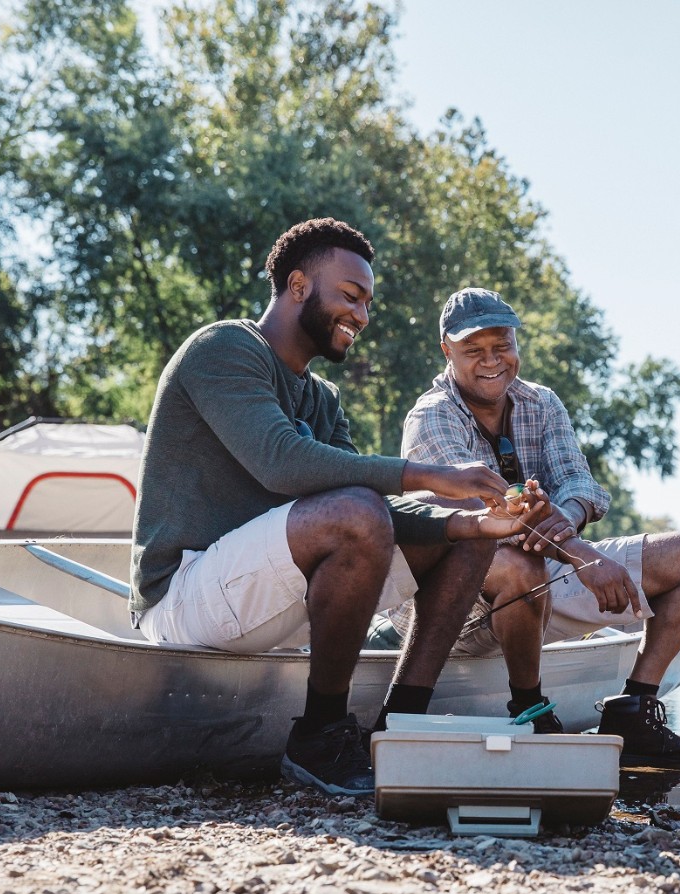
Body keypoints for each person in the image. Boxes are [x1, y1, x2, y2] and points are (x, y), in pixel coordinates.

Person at [129, 222, 548, 797]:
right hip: (185, 598)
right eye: (351, 295)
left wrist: (474, 522)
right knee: (356, 511)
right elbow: (280, 461)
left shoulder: (322, 399)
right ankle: (321, 732)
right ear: (298, 285)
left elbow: (382, 508)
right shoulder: (225, 349)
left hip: (273, 599)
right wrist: (435, 475)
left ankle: (403, 726)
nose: (364, 315)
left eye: (368, 302)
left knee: (463, 536)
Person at [400, 287, 680, 766]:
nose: (492, 361)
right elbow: (493, 519)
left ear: (517, 344)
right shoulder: (432, 416)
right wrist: (583, 555)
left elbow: (580, 485)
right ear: (447, 350)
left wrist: (564, 517)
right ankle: (530, 708)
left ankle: (634, 713)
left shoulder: (541, 403)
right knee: (515, 562)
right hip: (454, 605)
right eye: (473, 350)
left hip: (543, 570)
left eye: (502, 345)